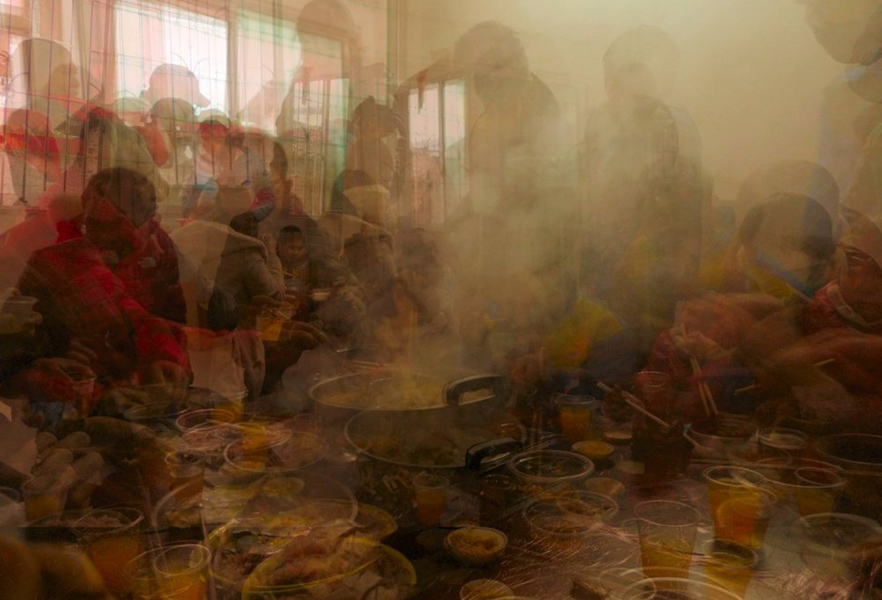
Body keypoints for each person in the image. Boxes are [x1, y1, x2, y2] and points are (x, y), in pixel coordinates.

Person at [17, 168, 190, 396]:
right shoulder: (60, 256)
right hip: (83, 389)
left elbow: (174, 314)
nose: (102, 236)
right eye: (95, 224)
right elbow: (25, 341)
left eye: (117, 225)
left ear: (148, 220)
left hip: (150, 385)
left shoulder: (158, 245)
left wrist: (170, 359)